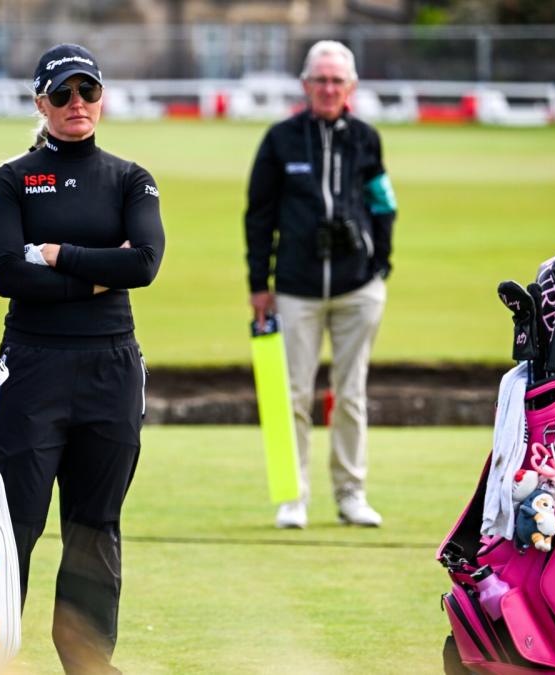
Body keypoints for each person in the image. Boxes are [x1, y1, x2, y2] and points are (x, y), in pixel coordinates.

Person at [0, 43, 165, 673]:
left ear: (101, 97)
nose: (76, 104)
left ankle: (87, 662)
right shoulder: (12, 179)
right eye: (62, 94)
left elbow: (143, 262)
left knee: (94, 525)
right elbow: (7, 273)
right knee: (17, 523)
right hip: (32, 366)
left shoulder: (131, 177)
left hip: (111, 367)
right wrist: (99, 272)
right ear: (41, 102)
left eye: (86, 91)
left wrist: (60, 255)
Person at [244, 40, 397, 530]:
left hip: (358, 287)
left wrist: (381, 265)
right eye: (320, 80)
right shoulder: (281, 139)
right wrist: (258, 282)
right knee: (292, 395)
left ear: (350, 86)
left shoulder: (366, 138)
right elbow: (259, 215)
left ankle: (351, 494)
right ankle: (293, 497)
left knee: (351, 395)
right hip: (296, 287)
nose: (328, 88)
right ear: (306, 85)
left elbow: (383, 203)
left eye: (337, 81)